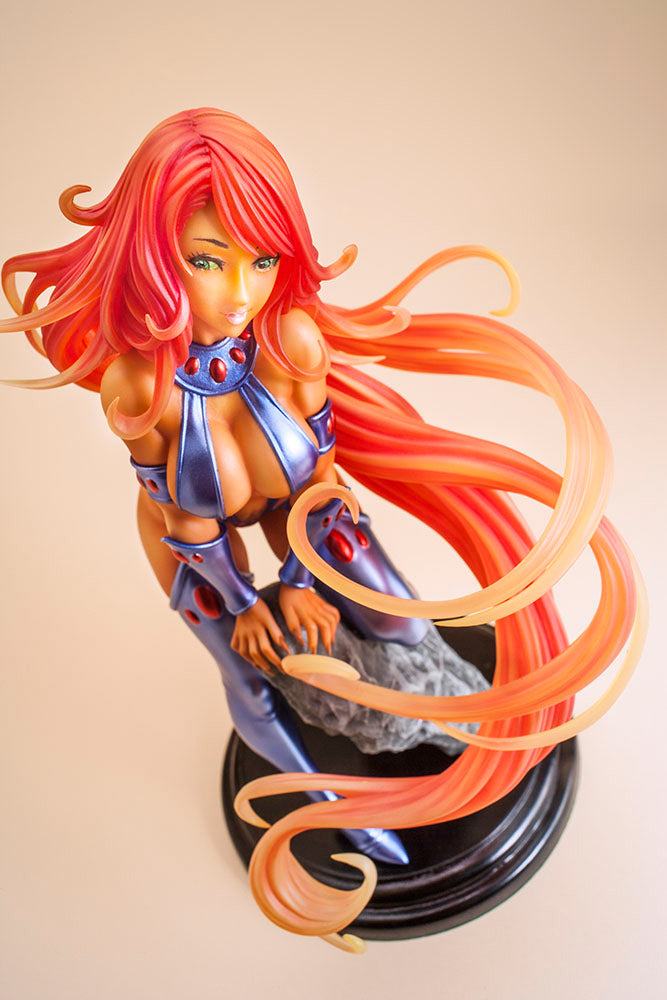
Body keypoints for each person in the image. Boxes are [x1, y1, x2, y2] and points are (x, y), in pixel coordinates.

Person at [0, 108, 645, 953]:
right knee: (251, 680)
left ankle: (455, 716)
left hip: (302, 509)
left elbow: (320, 479)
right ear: (155, 256)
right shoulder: (137, 388)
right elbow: (186, 518)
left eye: (262, 261)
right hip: (196, 547)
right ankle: (337, 809)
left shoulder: (289, 341)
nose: (240, 293)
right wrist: (249, 607)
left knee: (399, 618)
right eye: (207, 261)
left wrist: (305, 583)